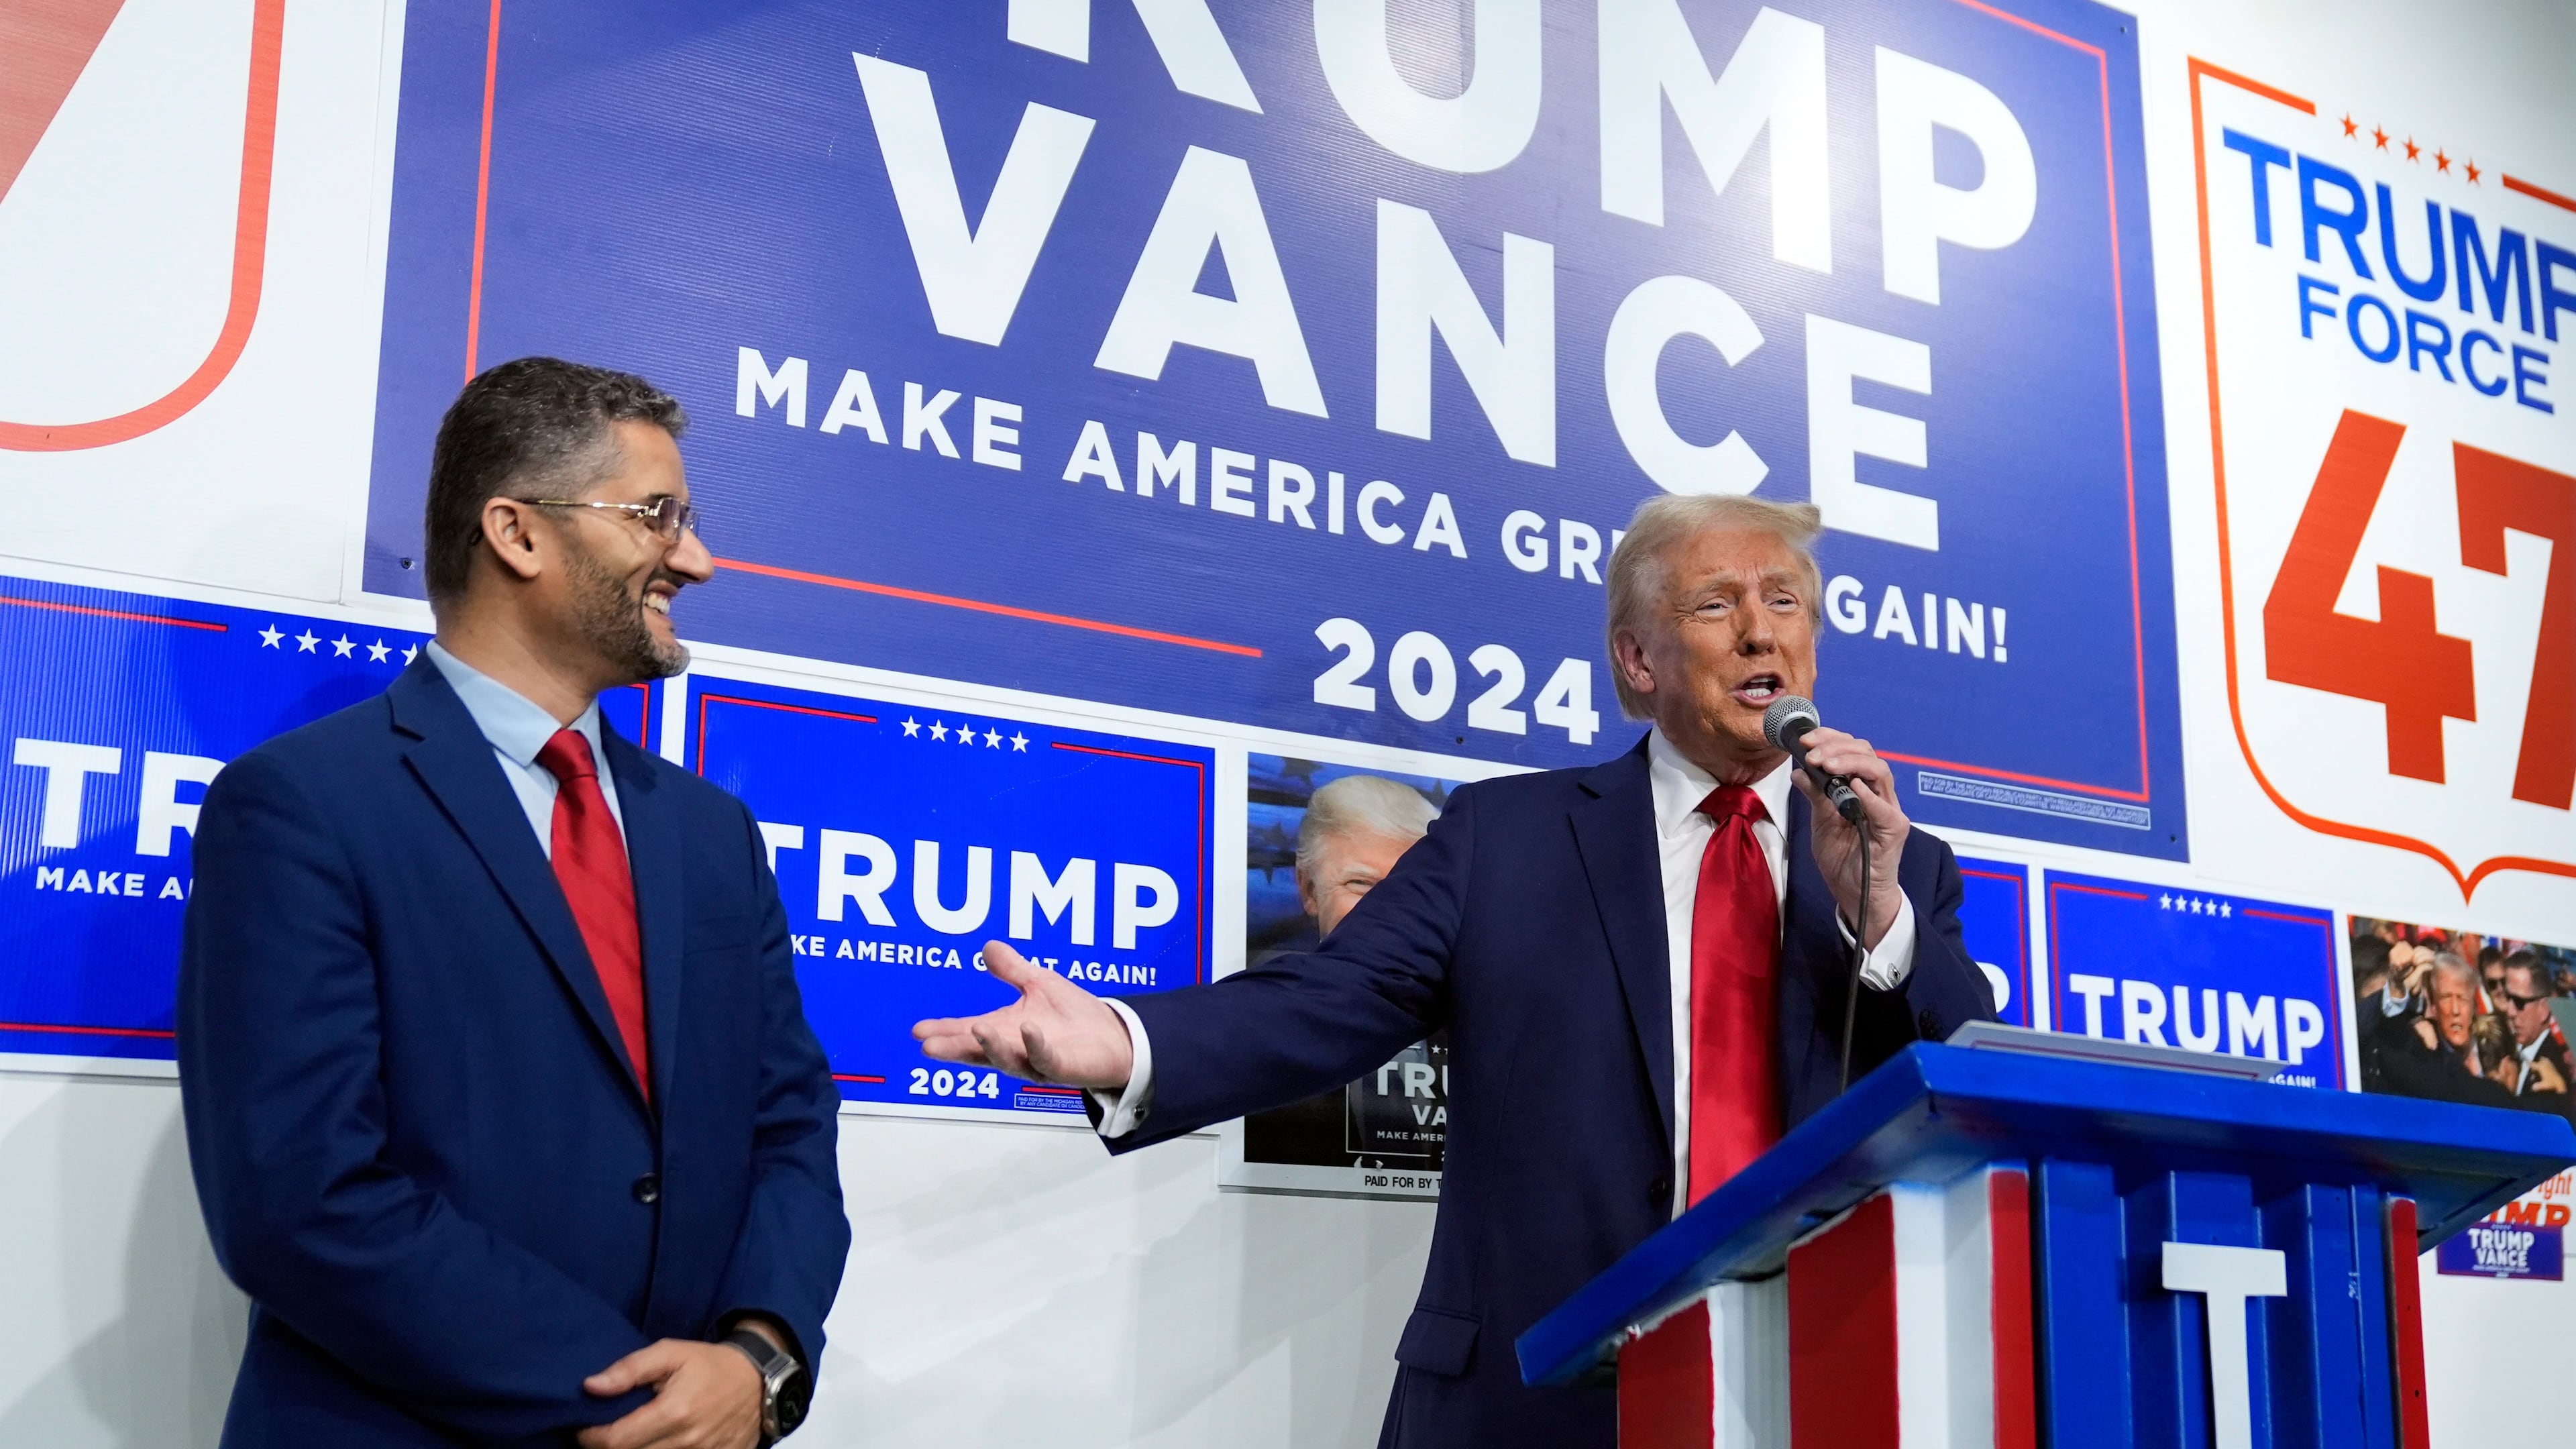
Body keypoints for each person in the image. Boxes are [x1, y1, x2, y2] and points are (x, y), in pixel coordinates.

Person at [914, 493, 1997, 1449]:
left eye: (1785, 602)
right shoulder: (1506, 840)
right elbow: (1331, 1000)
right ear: (1637, 658)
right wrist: (1125, 1041)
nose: (1761, 630)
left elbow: (1977, 1079)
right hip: (1529, 1408)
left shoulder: (1896, 863)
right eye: (1717, 604)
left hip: (1803, 1401)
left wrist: (1880, 912)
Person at [179, 358, 849, 1448]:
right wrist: (651, 1405)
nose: (698, 558)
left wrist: (759, 1355)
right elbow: (302, 1201)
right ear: (518, 533)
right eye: (656, 516)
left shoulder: (709, 834)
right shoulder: (303, 806)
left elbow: (788, 1130)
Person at [2498, 953, 2573, 1107]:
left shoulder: (2552, 1071)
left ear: (2544, 1009)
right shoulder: (2509, 1048)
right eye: (2508, 998)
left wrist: (2502, 1093)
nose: (2510, 1011)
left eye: (2519, 1002)